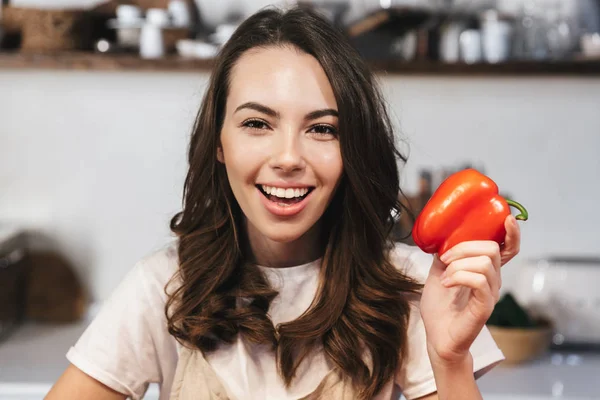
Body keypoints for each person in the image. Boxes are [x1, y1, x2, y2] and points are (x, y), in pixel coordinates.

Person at [47, 6, 521, 400]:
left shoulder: (412, 287)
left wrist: (449, 358)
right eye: (257, 124)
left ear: (351, 147)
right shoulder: (163, 286)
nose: (289, 158)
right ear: (219, 142)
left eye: (322, 129)